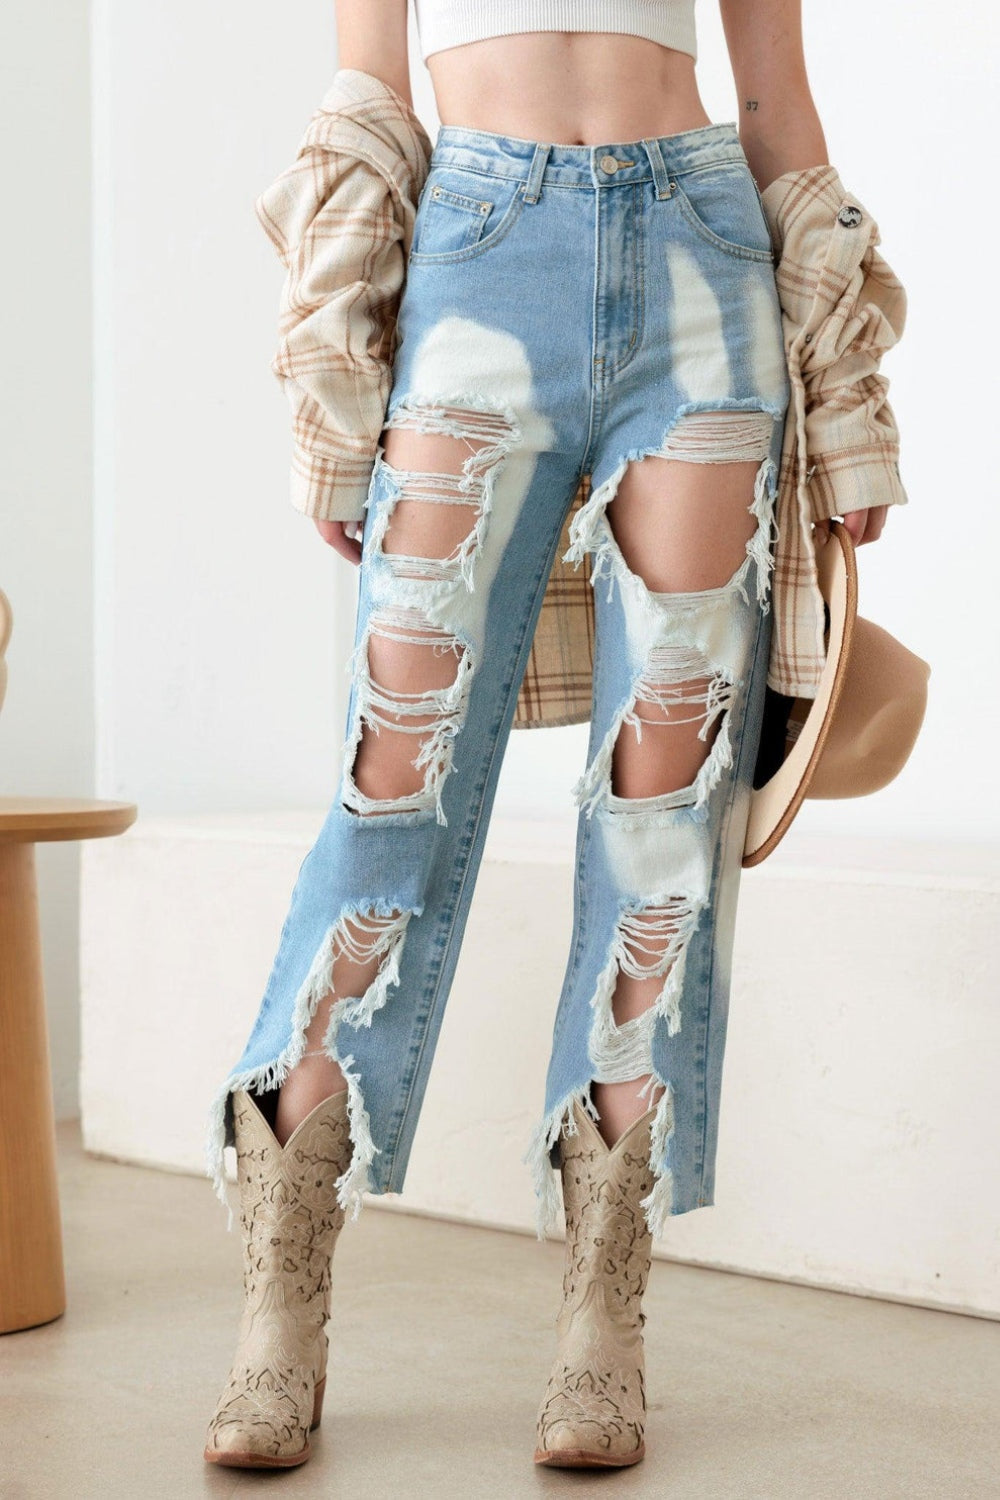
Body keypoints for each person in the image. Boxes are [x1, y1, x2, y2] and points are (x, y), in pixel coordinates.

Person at [203, 0, 894, 1473]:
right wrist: (334, 386)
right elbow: (368, 86)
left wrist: (844, 410)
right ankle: (282, 1301)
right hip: (480, 245)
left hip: (702, 260)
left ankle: (602, 1315)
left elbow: (773, 98)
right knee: (392, 778)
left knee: (667, 805)